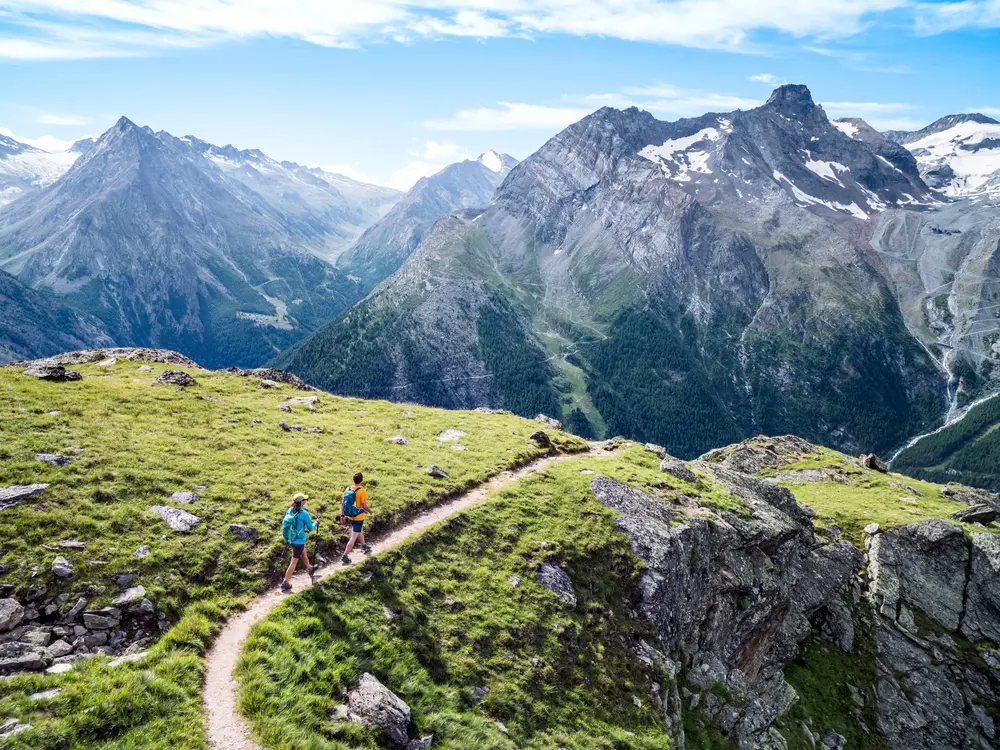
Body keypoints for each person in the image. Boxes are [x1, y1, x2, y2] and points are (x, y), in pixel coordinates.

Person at [280, 493, 320, 591]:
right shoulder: (304, 514)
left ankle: (310, 568)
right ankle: (285, 582)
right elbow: (310, 528)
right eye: (305, 499)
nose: (306, 500)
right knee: (293, 562)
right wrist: (316, 523)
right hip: (299, 541)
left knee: (303, 552)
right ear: (302, 502)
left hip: (291, 538)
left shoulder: (290, 510)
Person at [341, 472, 372, 565]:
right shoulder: (361, 491)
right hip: (358, 516)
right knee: (353, 537)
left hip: (350, 515)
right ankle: (345, 555)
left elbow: (343, 503)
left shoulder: (348, 489)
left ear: (353, 479)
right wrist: (370, 511)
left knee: (359, 531)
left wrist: (342, 514)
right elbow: (364, 505)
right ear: (361, 480)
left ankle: (364, 546)